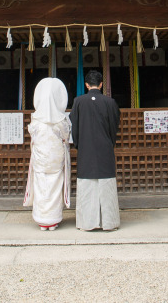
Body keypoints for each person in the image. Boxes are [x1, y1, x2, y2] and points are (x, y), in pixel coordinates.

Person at [69, 70, 121, 231]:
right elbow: (114, 126)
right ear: (101, 84)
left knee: (87, 187)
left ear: (86, 85)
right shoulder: (110, 102)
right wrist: (109, 142)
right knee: (106, 187)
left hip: (86, 149)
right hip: (105, 148)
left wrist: (79, 144)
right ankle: (109, 223)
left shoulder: (78, 102)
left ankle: (87, 223)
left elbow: (74, 127)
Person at [23, 77, 71, 230]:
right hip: (56, 157)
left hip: (40, 157)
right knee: (55, 185)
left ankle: (42, 220)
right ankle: (53, 220)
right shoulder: (61, 120)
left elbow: (32, 134)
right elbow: (66, 136)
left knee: (41, 185)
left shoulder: (36, 119)